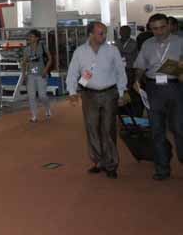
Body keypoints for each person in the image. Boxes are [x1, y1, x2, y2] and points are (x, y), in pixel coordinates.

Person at [66, 21, 127, 179]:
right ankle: (98, 161)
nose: (104, 36)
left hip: (109, 94)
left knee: (108, 129)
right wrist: (72, 91)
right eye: (101, 33)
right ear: (91, 34)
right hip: (89, 95)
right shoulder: (80, 51)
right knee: (92, 129)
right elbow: (72, 72)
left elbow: (120, 72)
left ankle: (111, 164)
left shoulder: (112, 50)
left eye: (105, 32)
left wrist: (121, 93)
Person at [133, 13, 183, 181]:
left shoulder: (180, 42)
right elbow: (140, 66)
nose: (159, 32)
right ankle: (162, 167)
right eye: (155, 29)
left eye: (162, 28)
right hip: (153, 89)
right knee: (156, 131)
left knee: (179, 128)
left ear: (169, 26)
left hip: (175, 87)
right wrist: (136, 80)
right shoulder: (147, 44)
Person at [21, 30, 53, 123]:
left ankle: (47, 108)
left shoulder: (43, 47)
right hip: (30, 75)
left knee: (42, 95)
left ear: (37, 38)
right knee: (31, 96)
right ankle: (34, 115)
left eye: (31, 36)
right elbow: (24, 63)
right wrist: (24, 74)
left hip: (41, 74)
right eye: (29, 36)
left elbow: (50, 59)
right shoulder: (26, 50)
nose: (29, 38)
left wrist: (45, 70)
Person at [116, 25, 142, 115]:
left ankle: (133, 113)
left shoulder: (134, 43)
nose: (123, 33)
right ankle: (122, 112)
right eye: (122, 31)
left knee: (131, 92)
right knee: (120, 91)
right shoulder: (117, 42)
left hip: (130, 71)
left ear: (129, 33)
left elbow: (127, 52)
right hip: (118, 71)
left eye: (126, 32)